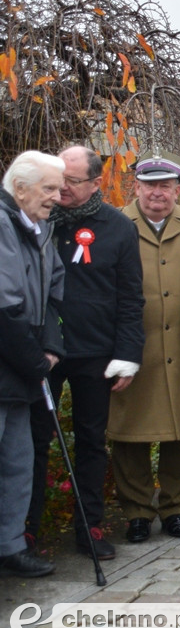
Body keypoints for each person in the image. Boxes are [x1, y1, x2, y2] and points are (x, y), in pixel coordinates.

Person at [29, 145, 145, 561]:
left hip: (95, 352)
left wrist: (129, 352)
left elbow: (132, 297)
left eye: (72, 182)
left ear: (96, 183)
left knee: (92, 441)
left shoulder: (117, 227)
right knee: (34, 439)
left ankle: (89, 525)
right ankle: (27, 529)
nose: (61, 189)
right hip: (43, 350)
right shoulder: (37, 219)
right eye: (59, 179)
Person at [106, 150, 180, 544]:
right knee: (129, 431)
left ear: (177, 188)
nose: (156, 193)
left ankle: (174, 509)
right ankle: (138, 512)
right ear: (136, 187)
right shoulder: (114, 225)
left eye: (165, 185)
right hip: (131, 344)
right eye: (149, 185)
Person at [0, 151, 65, 577]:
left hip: (22, 366)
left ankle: (9, 547)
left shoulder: (39, 227)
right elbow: (4, 308)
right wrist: (33, 360)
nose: (58, 197)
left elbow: (55, 290)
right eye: (50, 188)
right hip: (11, 360)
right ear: (20, 188)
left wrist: (50, 343)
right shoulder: (3, 224)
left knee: (18, 462)